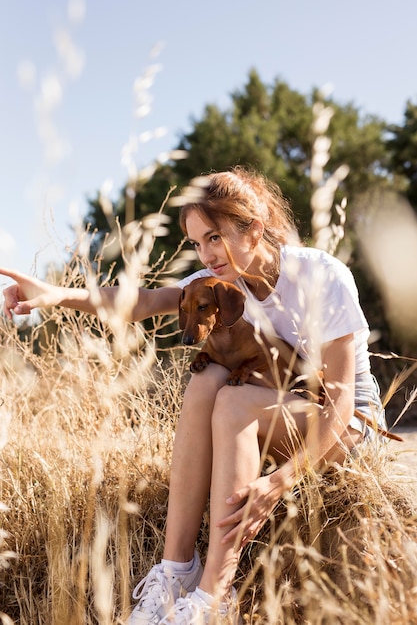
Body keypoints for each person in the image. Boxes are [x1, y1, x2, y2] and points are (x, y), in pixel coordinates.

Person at [0, 167, 386, 625]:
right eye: (197, 243)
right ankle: (176, 571)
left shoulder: (321, 274)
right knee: (207, 381)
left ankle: (213, 599)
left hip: (349, 423)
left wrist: (279, 482)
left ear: (255, 229)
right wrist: (57, 294)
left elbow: (341, 404)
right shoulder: (220, 282)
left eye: (215, 237)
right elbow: (140, 302)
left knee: (232, 400)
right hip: (282, 406)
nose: (206, 253)